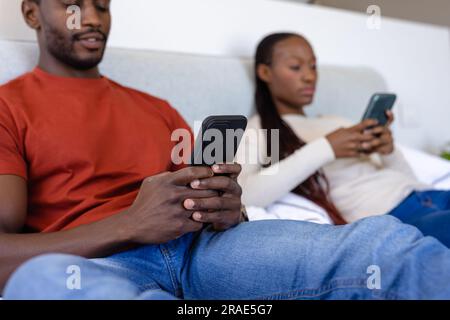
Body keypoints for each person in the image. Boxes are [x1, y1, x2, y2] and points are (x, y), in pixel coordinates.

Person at [2, 1, 450, 300]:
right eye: (73, 4)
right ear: (31, 13)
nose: (94, 18)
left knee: (381, 245)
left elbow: (200, 193)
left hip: (207, 251)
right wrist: (131, 224)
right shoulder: (9, 107)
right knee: (38, 283)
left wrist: (228, 207)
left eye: (103, 4)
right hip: (95, 263)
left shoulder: (157, 109)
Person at [236, 32, 450, 247]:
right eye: (295, 67)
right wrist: (327, 148)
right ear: (265, 72)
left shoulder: (335, 121)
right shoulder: (264, 130)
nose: (310, 76)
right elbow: (246, 196)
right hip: (398, 216)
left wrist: (388, 151)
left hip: (430, 196)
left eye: (313, 66)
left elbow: (408, 181)